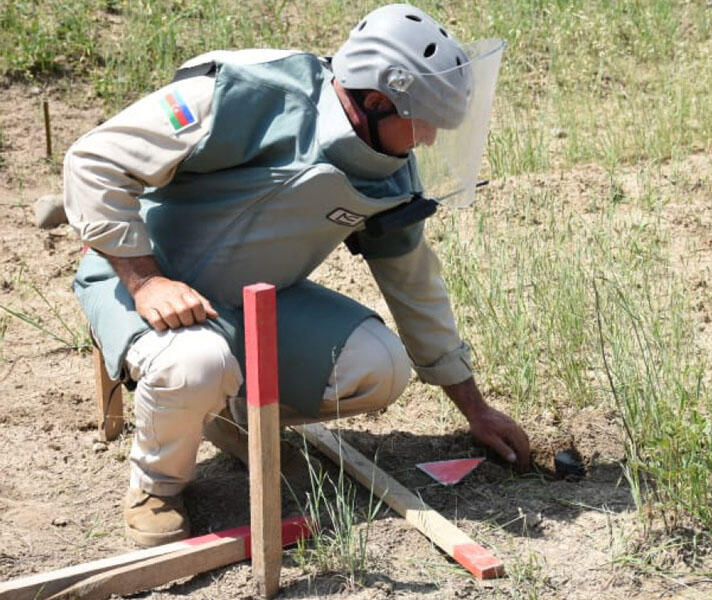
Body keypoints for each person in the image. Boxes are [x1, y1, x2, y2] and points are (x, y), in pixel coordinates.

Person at [64, 3, 531, 548]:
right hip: (138, 283)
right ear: (378, 101)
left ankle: (230, 416)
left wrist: (474, 408)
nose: (428, 139)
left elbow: (414, 283)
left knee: (379, 367)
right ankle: (157, 487)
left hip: (254, 305)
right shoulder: (245, 94)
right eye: (423, 122)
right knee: (194, 364)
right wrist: (145, 282)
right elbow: (92, 160)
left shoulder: (390, 169)